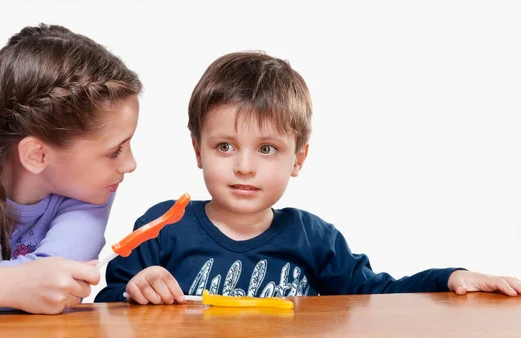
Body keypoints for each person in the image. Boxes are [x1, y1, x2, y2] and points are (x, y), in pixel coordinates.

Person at [95, 51, 521, 305]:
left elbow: (375, 297)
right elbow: (105, 304)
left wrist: (448, 278)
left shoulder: (313, 238)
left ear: (298, 158)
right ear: (197, 151)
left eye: (267, 149)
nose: (245, 166)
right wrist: (132, 291)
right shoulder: (165, 225)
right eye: (225, 146)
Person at [0, 24, 142, 320]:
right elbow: (40, 283)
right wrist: (13, 284)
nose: (130, 164)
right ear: (36, 155)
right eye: (114, 151)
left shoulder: (92, 190)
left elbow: (54, 284)